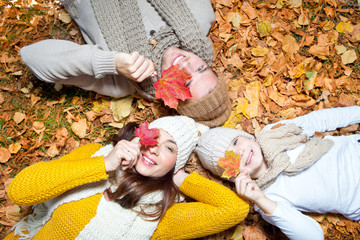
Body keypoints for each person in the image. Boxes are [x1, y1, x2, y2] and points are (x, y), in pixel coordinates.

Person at [5, 116, 249, 240]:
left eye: (170, 148)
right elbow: (20, 191)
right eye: (153, 137)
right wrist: (105, 164)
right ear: (137, 138)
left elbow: (233, 209)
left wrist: (181, 178)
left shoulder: (158, 215)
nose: (154, 148)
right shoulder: (94, 155)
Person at [20, 0, 231, 127]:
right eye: (201, 68)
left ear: (171, 100)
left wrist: (110, 62)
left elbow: (34, 56)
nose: (186, 66)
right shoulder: (199, 17)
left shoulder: (120, 81)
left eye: (186, 83)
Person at [195, 106, 360, 240]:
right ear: (234, 176)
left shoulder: (272, 133)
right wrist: (261, 199)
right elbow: (314, 236)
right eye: (230, 158)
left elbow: (318, 120)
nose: (240, 151)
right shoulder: (268, 198)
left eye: (236, 141)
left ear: (249, 137)